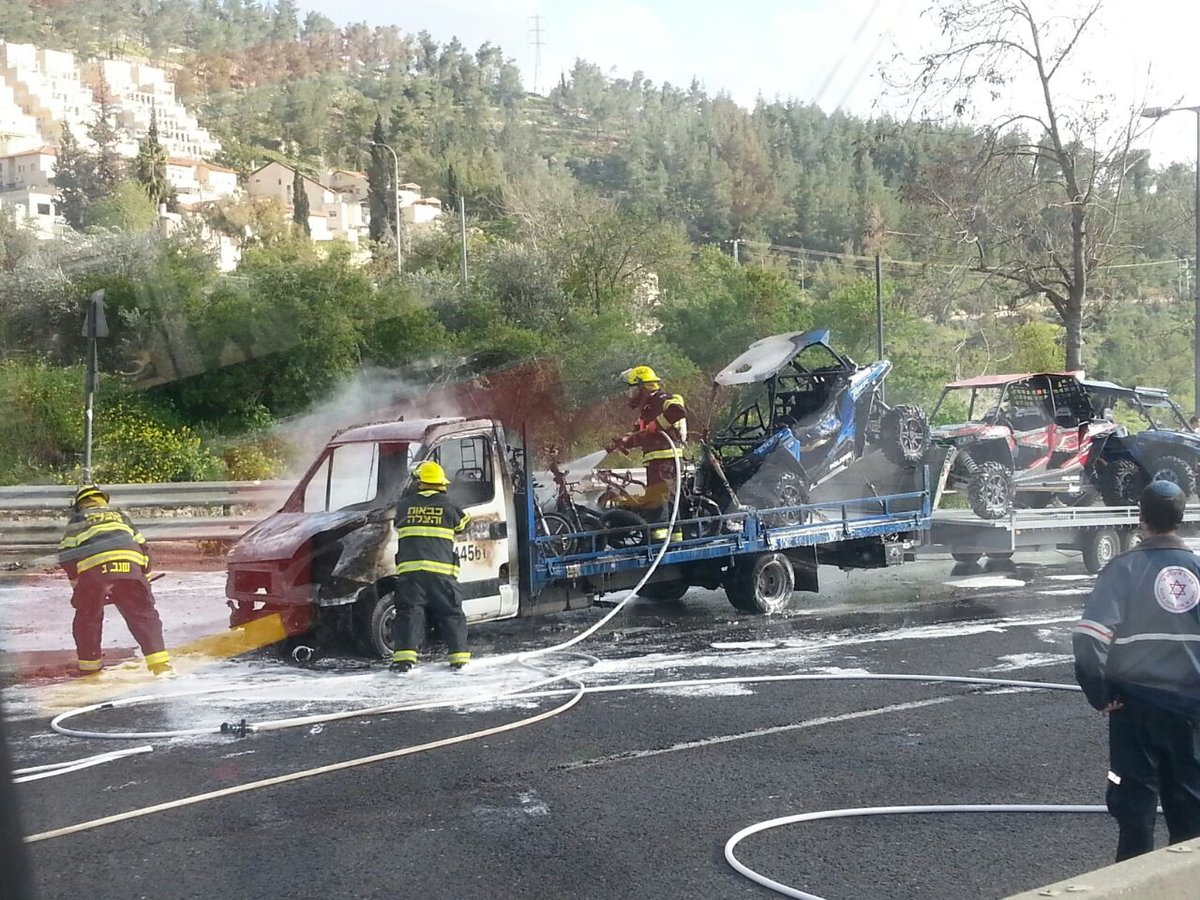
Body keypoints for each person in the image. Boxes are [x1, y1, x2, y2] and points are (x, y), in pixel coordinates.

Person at [1072, 480, 1200, 861]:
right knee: (1191, 813)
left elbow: (1088, 638)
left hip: (1134, 711)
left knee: (1135, 814)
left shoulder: (1123, 569)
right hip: (1191, 712)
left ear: (1141, 519)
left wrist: (1100, 694)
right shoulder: (1198, 569)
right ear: (1182, 517)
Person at [56, 484, 173, 677]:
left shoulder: (78, 519)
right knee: (143, 614)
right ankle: (161, 665)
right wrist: (145, 583)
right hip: (130, 568)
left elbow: (67, 554)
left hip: (95, 573)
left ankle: (90, 668)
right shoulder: (120, 516)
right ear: (103, 499)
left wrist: (79, 586)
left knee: (88, 617)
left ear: (78, 504)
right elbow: (144, 547)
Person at [389, 461, 472, 674]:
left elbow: (397, 524)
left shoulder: (404, 505)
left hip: (411, 573)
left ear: (419, 483)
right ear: (440, 483)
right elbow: (464, 524)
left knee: (409, 612)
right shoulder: (449, 505)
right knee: (451, 612)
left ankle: (404, 660)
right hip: (441, 573)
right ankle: (458, 660)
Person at [606, 365, 688, 542]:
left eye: (633, 389)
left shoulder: (661, 398)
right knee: (668, 498)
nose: (631, 394)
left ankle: (658, 536)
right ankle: (675, 537)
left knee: (658, 497)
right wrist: (625, 440)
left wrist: (657, 424)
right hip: (660, 461)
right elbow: (642, 435)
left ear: (643, 387)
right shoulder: (647, 408)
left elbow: (678, 411)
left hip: (664, 459)